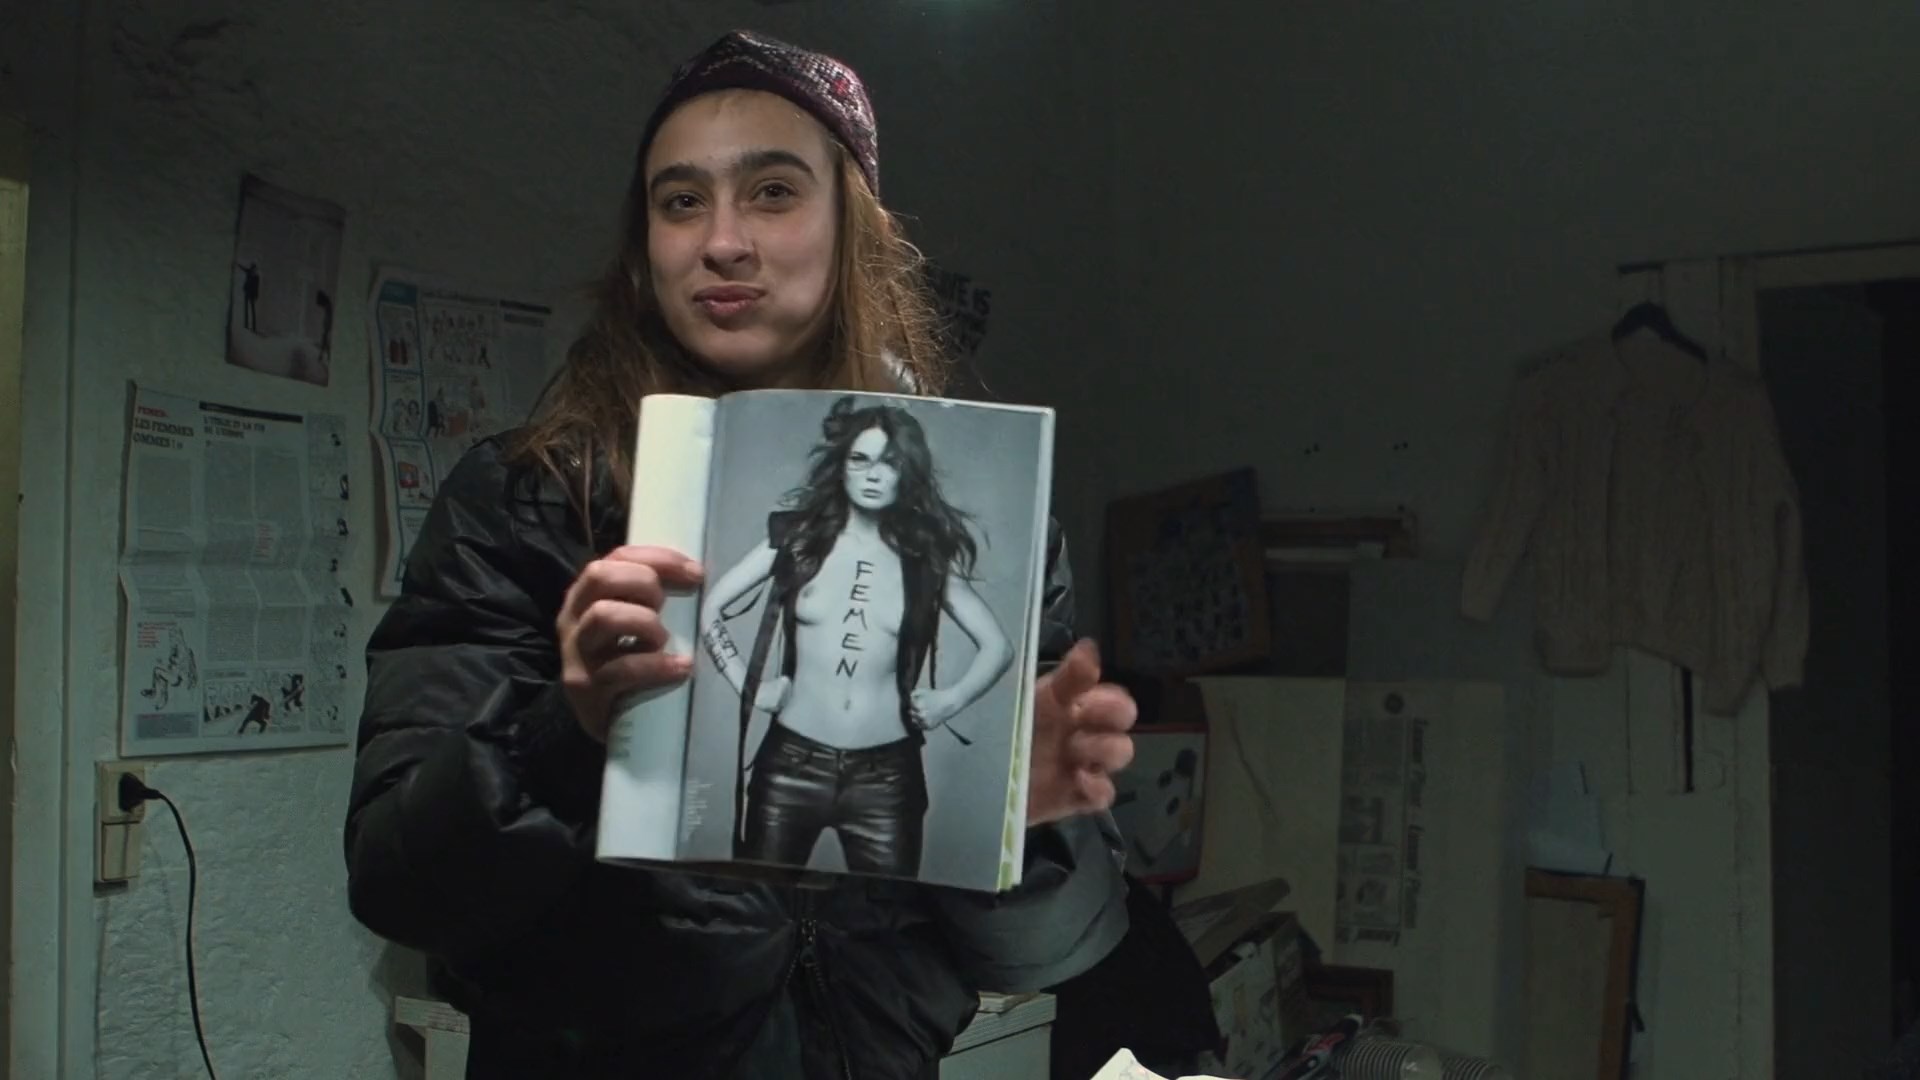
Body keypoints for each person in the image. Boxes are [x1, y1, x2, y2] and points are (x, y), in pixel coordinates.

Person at [343, 29, 1138, 1080]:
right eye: (681, 201)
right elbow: (401, 886)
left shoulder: (975, 517)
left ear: (854, 228)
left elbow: (1046, 951)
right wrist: (563, 736)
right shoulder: (527, 501)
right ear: (644, 247)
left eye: (772, 192)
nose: (722, 242)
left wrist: (1014, 820)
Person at [700, 395, 1015, 877]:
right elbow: (711, 609)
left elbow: (999, 647)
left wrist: (950, 700)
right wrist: (751, 687)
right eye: (860, 459)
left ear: (906, 473)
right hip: (790, 766)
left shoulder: (923, 559)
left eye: (889, 463)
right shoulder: (798, 539)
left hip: (886, 779)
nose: (873, 475)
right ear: (842, 467)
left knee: (885, 919)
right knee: (759, 908)